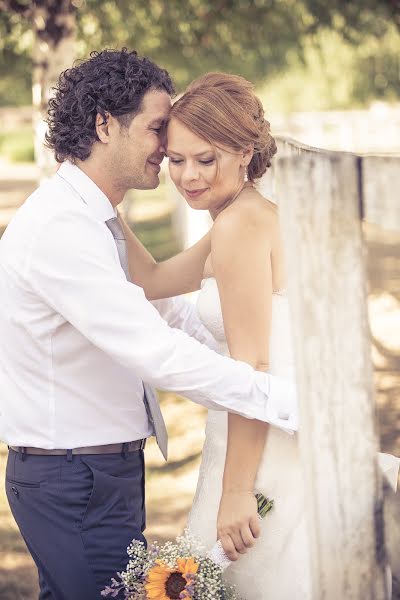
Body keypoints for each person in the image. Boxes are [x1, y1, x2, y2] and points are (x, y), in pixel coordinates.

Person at [0, 50, 296, 599]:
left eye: (198, 155)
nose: (168, 153)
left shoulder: (94, 218)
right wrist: (272, 394)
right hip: (75, 477)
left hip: (98, 472)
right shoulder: (64, 227)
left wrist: (108, 203)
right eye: (159, 131)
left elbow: (161, 301)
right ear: (104, 125)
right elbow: (153, 348)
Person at [165, 72, 312, 599]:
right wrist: (100, 198)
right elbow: (153, 280)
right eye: (175, 159)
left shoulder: (238, 228)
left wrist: (236, 492)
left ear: (246, 152)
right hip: (260, 433)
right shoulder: (248, 213)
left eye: (206, 160)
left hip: (261, 448)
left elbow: (253, 372)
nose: (188, 176)